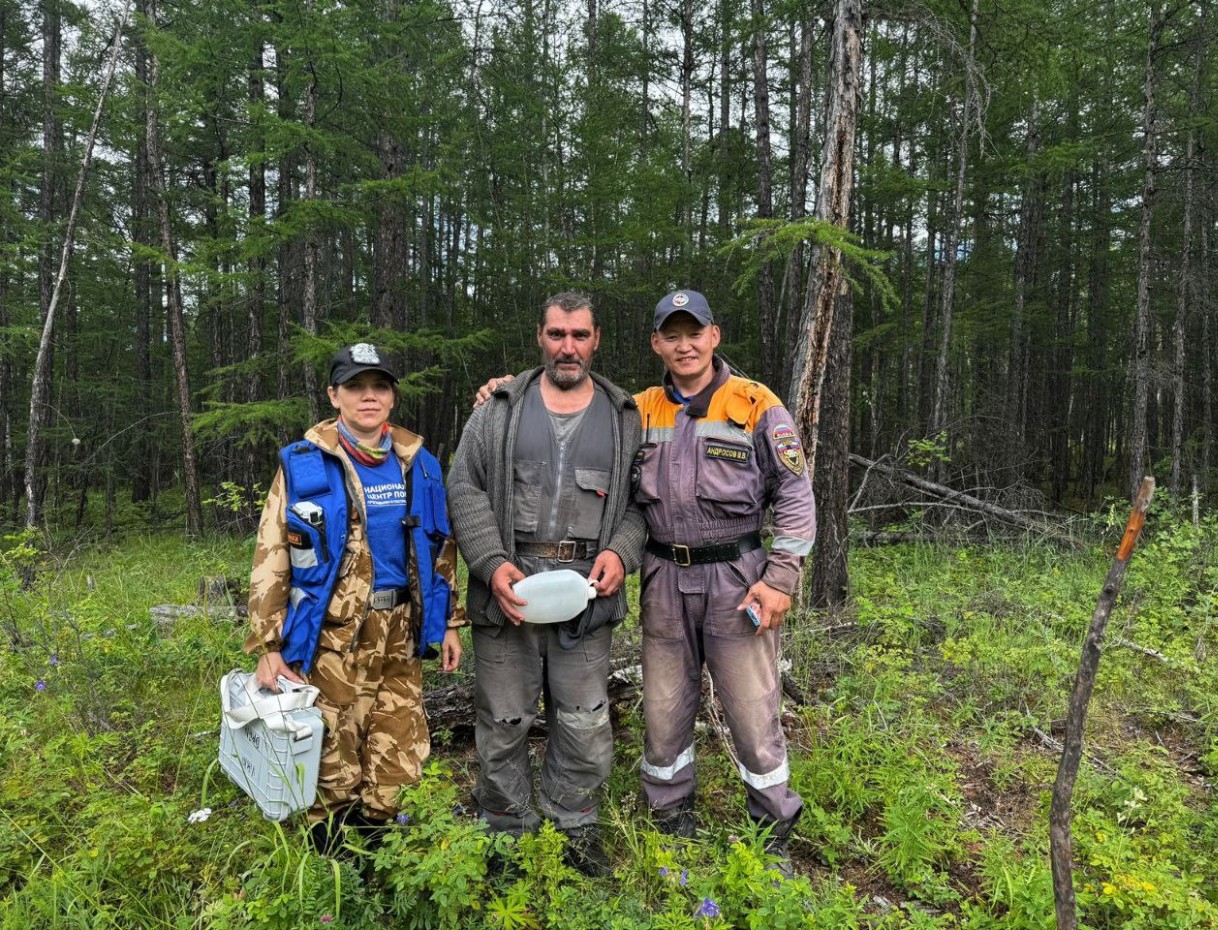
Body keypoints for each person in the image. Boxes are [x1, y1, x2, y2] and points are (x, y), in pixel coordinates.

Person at [447, 291, 645, 877]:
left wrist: (620, 551)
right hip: (509, 591)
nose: (568, 346)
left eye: (579, 335)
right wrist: (490, 562)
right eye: (557, 334)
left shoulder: (624, 415)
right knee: (504, 719)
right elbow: (465, 488)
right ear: (540, 336)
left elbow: (642, 503)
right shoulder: (499, 408)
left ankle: (575, 825)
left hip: (587, 594)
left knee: (583, 719)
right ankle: (506, 831)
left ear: (596, 339)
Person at [246, 343, 464, 851]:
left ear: (391, 396)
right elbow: (271, 553)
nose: (369, 396)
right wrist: (268, 644)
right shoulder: (305, 465)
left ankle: (382, 841)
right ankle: (332, 853)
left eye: (379, 386)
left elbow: (440, 547)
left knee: (399, 741)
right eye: (356, 387)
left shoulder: (420, 462)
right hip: (332, 634)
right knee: (330, 743)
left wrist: (449, 621)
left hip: (400, 631)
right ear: (334, 395)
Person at [633, 289, 815, 876]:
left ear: (714, 336)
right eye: (671, 334)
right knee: (663, 708)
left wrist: (782, 577)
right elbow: (568, 408)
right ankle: (669, 815)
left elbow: (795, 494)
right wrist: (501, 392)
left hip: (740, 579)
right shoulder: (636, 411)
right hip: (662, 576)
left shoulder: (756, 404)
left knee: (753, 709)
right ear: (657, 343)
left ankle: (771, 828)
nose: (684, 344)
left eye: (695, 332)